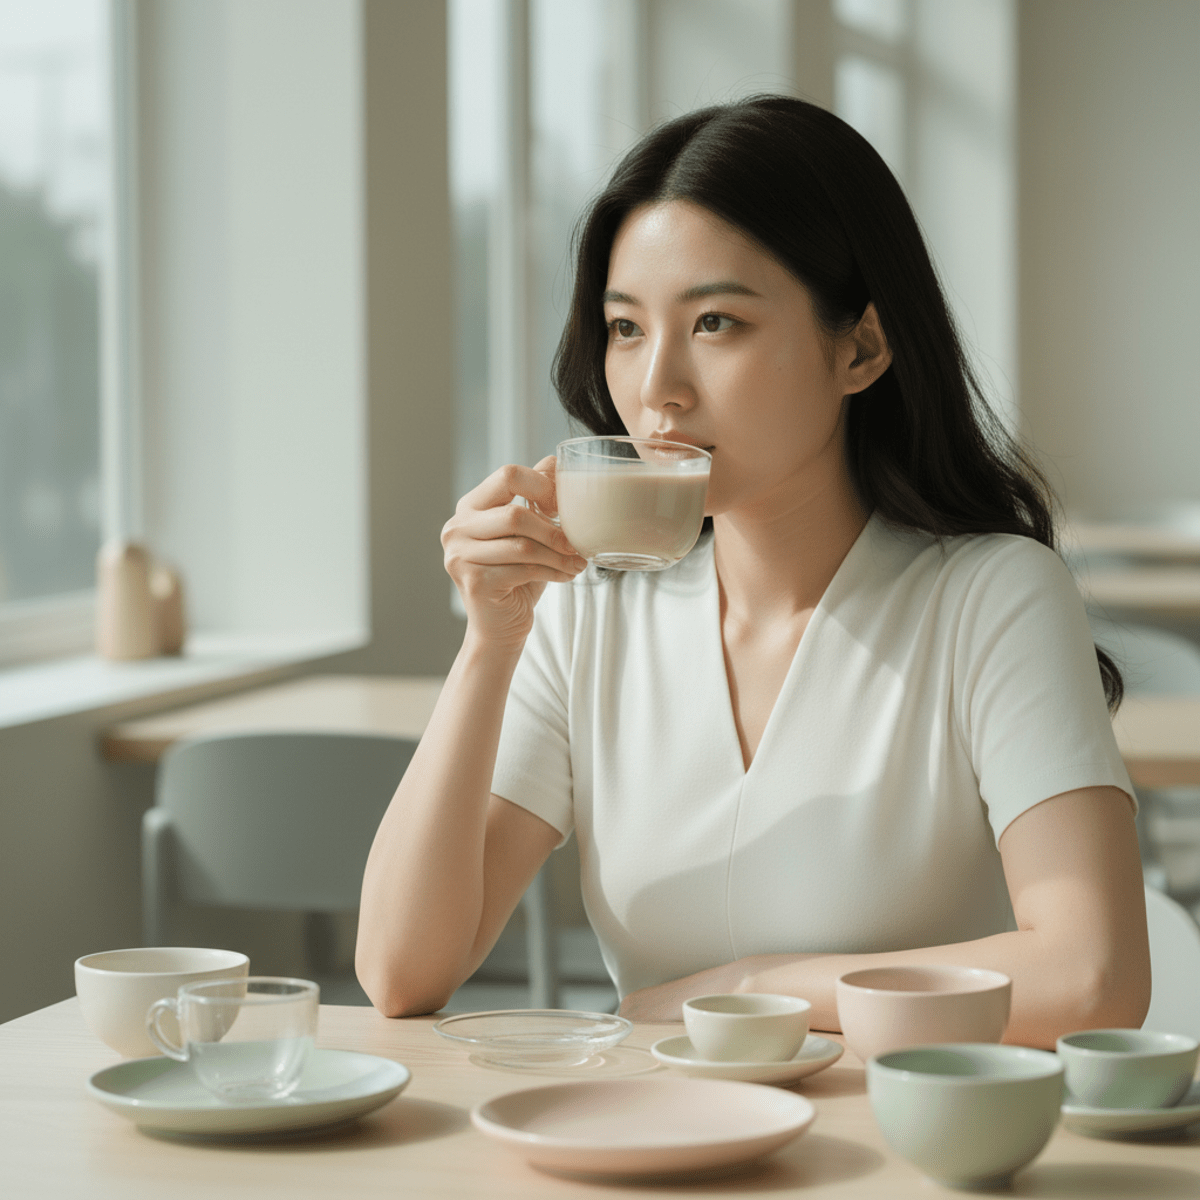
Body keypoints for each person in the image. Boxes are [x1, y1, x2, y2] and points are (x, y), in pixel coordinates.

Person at [355, 95, 1149, 1048]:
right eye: (626, 329)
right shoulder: (589, 614)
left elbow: (1093, 975)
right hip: (659, 1157)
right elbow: (402, 972)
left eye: (717, 323)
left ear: (860, 347)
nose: (657, 390)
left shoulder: (992, 597)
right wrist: (490, 641)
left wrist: (752, 987)